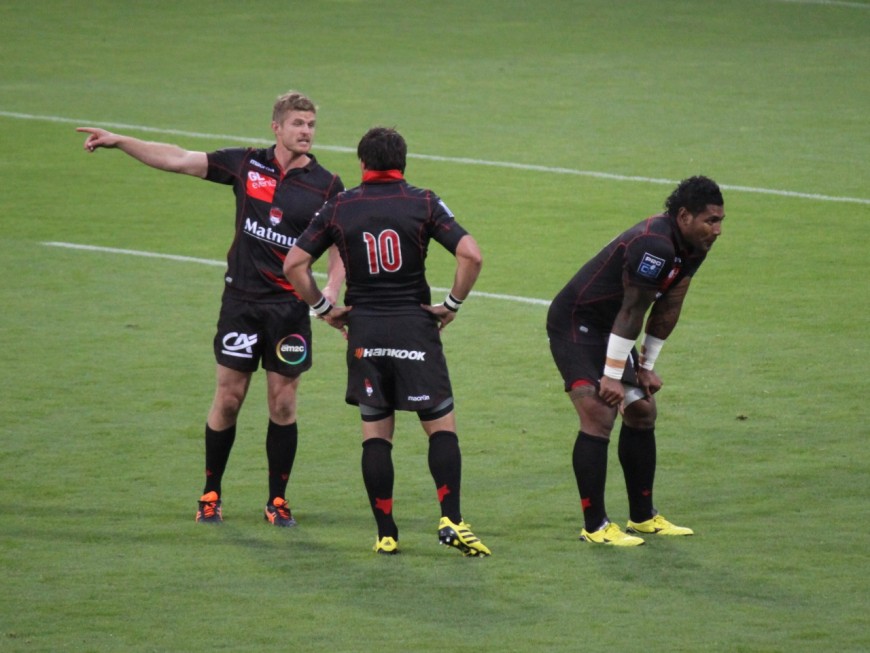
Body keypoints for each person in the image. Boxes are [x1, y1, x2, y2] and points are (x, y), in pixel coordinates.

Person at [77, 91, 344, 527]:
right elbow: (179, 159)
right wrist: (121, 141)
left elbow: (339, 241)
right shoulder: (246, 164)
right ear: (276, 127)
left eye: (311, 124)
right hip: (241, 304)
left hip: (289, 309)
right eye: (298, 123)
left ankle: (277, 500)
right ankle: (211, 492)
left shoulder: (327, 185)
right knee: (229, 398)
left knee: (283, 403)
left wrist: (331, 287)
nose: (306, 132)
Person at [283, 127, 491, 557]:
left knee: (376, 435)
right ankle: (451, 520)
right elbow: (471, 254)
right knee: (439, 426)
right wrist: (452, 304)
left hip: (365, 331)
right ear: (403, 162)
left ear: (362, 163)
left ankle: (386, 533)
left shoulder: (339, 206)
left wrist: (323, 308)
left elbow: (294, 265)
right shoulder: (423, 201)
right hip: (415, 326)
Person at [546, 176, 725, 546]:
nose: (717, 230)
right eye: (711, 221)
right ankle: (595, 526)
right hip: (577, 323)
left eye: (720, 221)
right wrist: (613, 375)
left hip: (612, 328)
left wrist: (646, 366)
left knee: (642, 410)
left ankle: (642, 518)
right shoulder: (654, 244)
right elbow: (632, 309)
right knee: (599, 414)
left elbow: (669, 305)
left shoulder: (695, 244)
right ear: (684, 216)